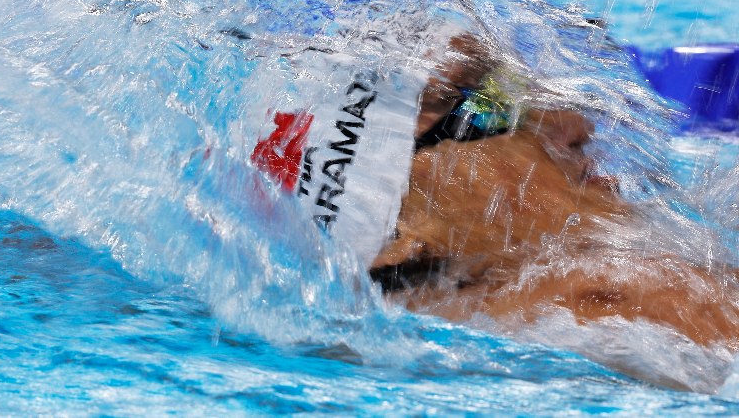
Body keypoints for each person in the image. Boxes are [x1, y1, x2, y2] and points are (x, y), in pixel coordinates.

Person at [250, 32, 739, 366]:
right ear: (402, 240)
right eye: (486, 109)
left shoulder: (449, 333)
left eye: (515, 85)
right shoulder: (631, 291)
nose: (573, 123)